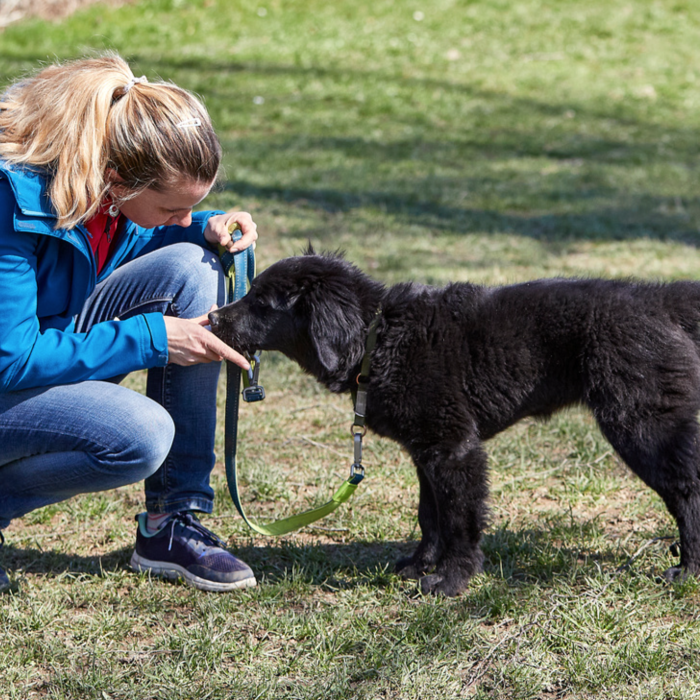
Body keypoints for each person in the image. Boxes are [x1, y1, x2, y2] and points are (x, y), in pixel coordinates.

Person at [0, 53, 259, 593]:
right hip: (12, 364)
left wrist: (206, 230)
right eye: (174, 209)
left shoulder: (98, 175)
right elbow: (11, 357)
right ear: (118, 179)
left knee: (195, 266)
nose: (183, 219)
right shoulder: (9, 199)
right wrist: (153, 339)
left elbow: (139, 233)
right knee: (140, 434)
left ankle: (172, 520)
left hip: (43, 347)